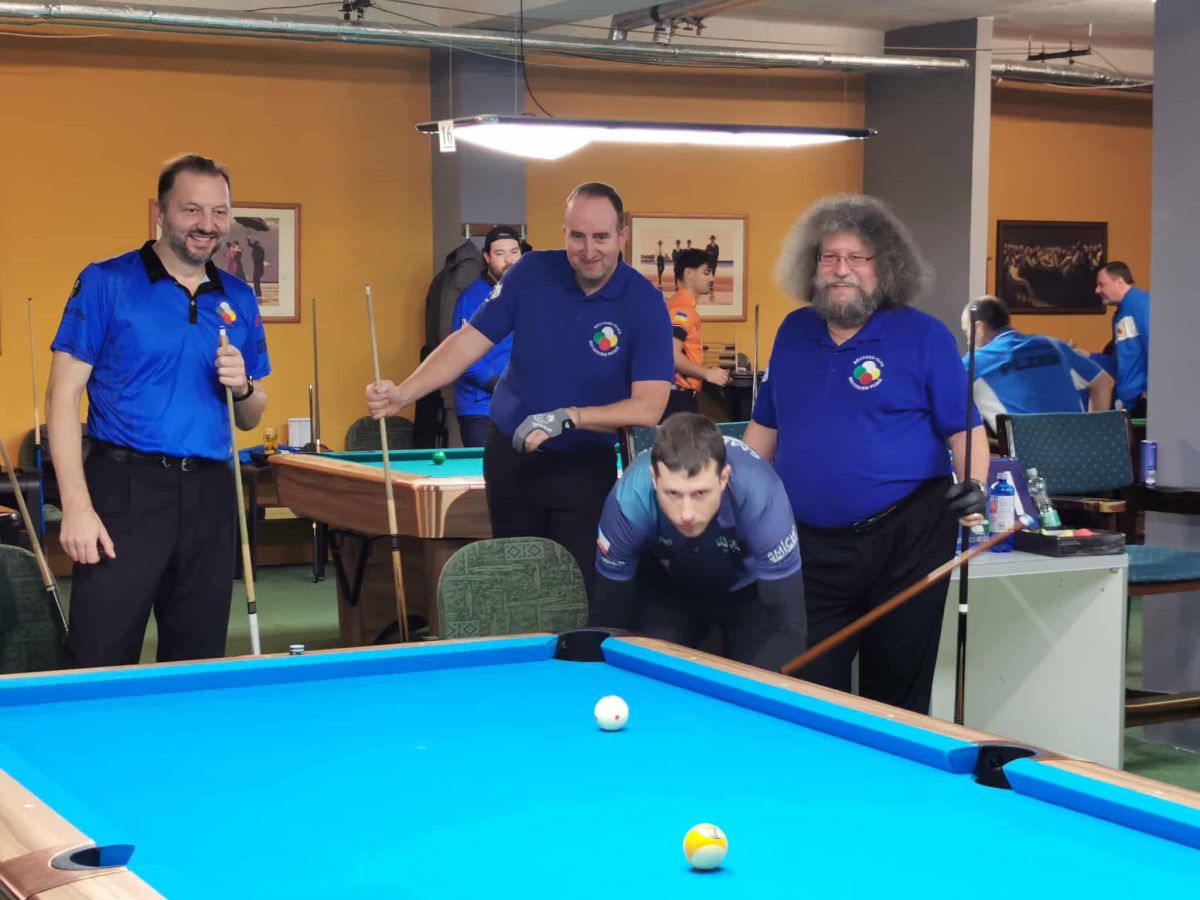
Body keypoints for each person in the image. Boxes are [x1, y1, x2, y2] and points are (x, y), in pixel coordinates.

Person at [367, 182, 673, 602]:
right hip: (510, 457)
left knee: (575, 592)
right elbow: (466, 343)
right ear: (563, 232)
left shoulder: (645, 302)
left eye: (601, 237)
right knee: (514, 589)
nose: (589, 250)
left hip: (585, 465)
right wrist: (403, 393)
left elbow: (649, 407)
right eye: (577, 236)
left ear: (622, 235)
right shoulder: (530, 273)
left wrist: (570, 417)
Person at [742, 194, 988, 714]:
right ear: (812, 265)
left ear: (886, 266)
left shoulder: (924, 335)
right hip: (808, 544)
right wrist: (733, 498)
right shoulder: (793, 332)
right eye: (830, 257)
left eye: (857, 258)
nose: (842, 270)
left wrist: (975, 487)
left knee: (896, 692)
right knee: (807, 687)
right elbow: (763, 432)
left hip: (908, 542)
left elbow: (965, 431)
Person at [46, 154, 270, 667]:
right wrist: (76, 507)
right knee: (99, 656)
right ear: (161, 213)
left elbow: (252, 414)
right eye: (192, 210)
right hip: (126, 490)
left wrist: (242, 386)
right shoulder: (106, 281)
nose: (207, 224)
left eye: (219, 212)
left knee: (197, 659)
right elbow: (62, 397)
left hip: (211, 492)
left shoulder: (238, 297)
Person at [592, 413, 806, 670]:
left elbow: (788, 628)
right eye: (673, 493)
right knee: (652, 673)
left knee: (755, 674)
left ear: (723, 479)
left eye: (700, 493)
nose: (686, 514)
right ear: (654, 479)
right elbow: (608, 616)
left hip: (749, 594)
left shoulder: (761, 495)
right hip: (668, 591)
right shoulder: (629, 498)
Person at [963, 296, 1114, 431]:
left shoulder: (974, 362)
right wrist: (1094, 432)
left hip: (1026, 451)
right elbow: (1104, 383)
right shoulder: (1054, 345)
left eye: (967, 332)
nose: (968, 341)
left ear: (979, 328)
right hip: (1079, 449)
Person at [450, 226, 523, 447]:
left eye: (514, 252)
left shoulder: (524, 295)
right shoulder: (471, 298)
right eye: (500, 253)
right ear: (487, 257)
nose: (509, 260)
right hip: (480, 409)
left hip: (517, 406)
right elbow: (462, 357)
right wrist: (500, 385)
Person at [663, 248, 730, 419]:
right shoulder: (682, 310)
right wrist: (706, 373)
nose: (712, 279)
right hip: (676, 398)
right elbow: (671, 355)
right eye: (706, 272)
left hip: (672, 395)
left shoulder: (672, 305)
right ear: (688, 273)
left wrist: (708, 370)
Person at [1095, 261, 1150, 417]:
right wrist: (1088, 357)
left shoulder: (1143, 304)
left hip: (1143, 400)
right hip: (1129, 400)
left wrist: (1150, 389)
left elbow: (1155, 348)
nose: (1097, 290)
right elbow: (1121, 359)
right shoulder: (1120, 313)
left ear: (1120, 282)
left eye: (1101, 285)